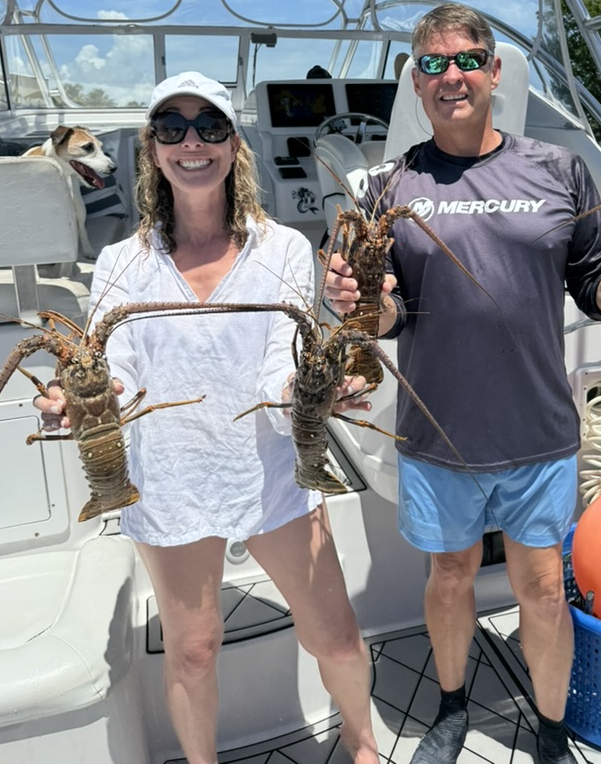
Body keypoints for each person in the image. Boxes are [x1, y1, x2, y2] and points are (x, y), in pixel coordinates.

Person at [323, 4, 601, 764]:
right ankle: (449, 707)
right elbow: (385, 319)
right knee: (450, 579)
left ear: (494, 71)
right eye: (435, 64)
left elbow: (598, 291)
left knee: (542, 587)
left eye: (468, 59)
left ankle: (546, 720)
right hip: (437, 432)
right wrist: (354, 300)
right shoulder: (389, 185)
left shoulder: (557, 169)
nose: (453, 76)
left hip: (539, 432)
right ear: (416, 80)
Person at [34, 71, 380, 764]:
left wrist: (311, 395)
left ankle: (362, 742)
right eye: (171, 128)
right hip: (170, 473)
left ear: (234, 146)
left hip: (273, 471)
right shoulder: (118, 263)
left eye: (210, 127)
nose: (192, 142)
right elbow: (119, 368)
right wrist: (83, 400)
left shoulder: (281, 247)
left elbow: (280, 364)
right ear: (152, 150)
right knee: (193, 650)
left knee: (337, 635)